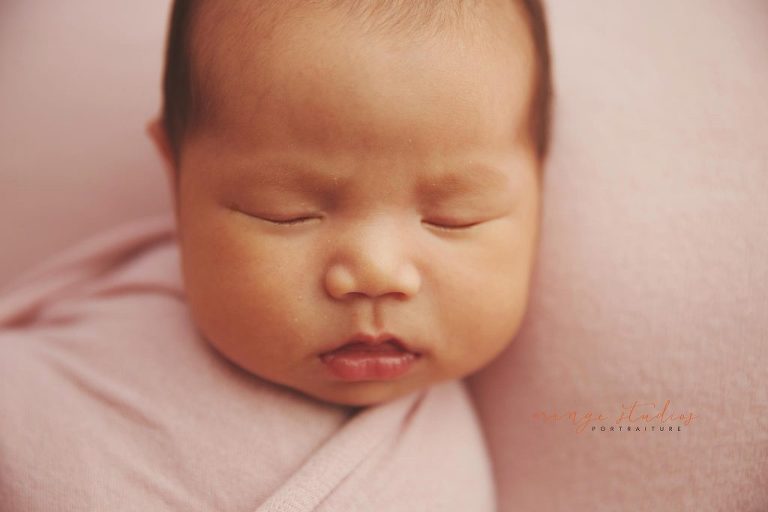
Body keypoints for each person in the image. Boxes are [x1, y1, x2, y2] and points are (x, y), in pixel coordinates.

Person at [0, 0, 551, 509]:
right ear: (178, 181)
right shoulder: (98, 329)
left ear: (539, 188)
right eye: (284, 212)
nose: (376, 272)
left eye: (455, 216)